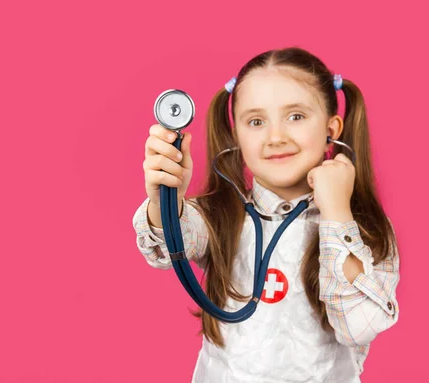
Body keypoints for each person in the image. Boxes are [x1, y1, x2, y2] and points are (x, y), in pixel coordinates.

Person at [132, 47, 400, 382]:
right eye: (256, 122)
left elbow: (358, 327)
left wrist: (335, 211)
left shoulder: (365, 229)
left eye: (296, 116)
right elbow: (164, 247)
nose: (275, 137)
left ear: (332, 127)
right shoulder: (220, 216)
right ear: (237, 135)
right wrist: (164, 199)